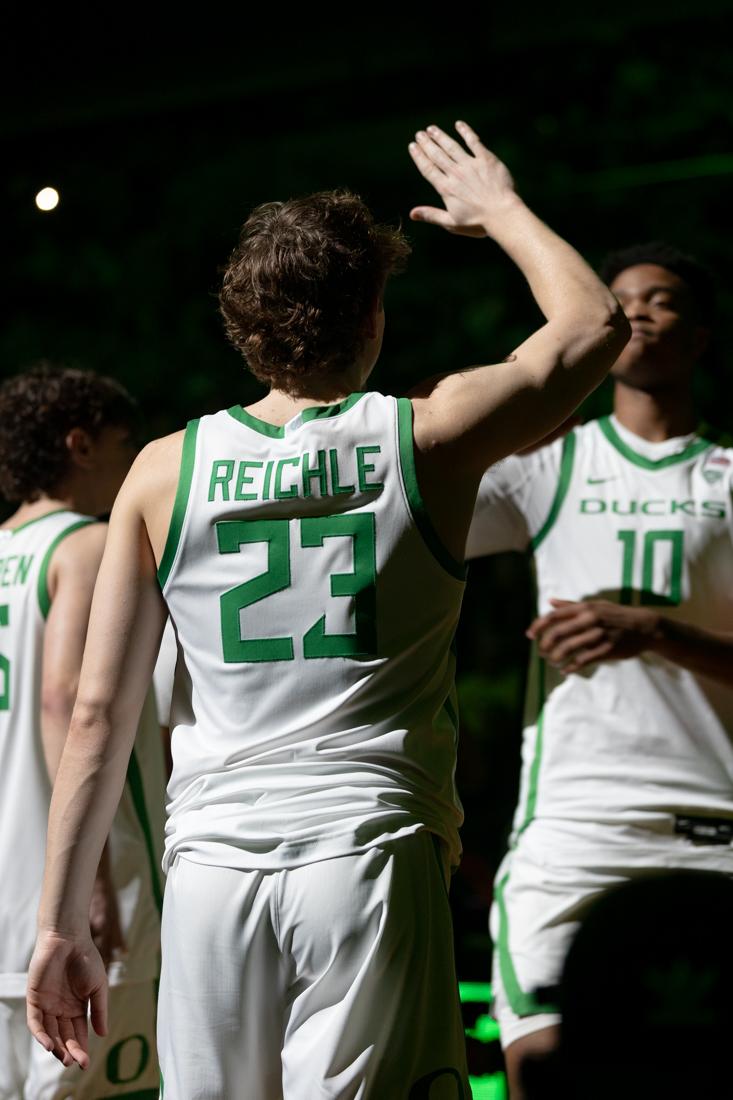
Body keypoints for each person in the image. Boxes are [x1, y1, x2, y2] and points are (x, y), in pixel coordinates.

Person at [26, 122, 629, 1098]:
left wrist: (56, 925)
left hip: (213, 866)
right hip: (367, 852)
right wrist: (502, 209)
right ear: (372, 319)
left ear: (239, 320)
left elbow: (98, 713)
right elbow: (594, 326)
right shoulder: (426, 433)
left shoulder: (160, 471)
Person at [465, 242, 733, 1098]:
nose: (638, 313)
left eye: (661, 300)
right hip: (572, 838)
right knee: (544, 1076)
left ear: (700, 337)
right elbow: (416, 478)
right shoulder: (549, 468)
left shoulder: (729, 477)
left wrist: (656, 631)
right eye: (619, 302)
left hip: (714, 833)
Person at [0, 364, 166, 1099]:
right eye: (125, 443)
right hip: (64, 898)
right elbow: (67, 699)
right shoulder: (87, 546)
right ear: (81, 445)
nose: (134, 463)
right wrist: (87, 880)